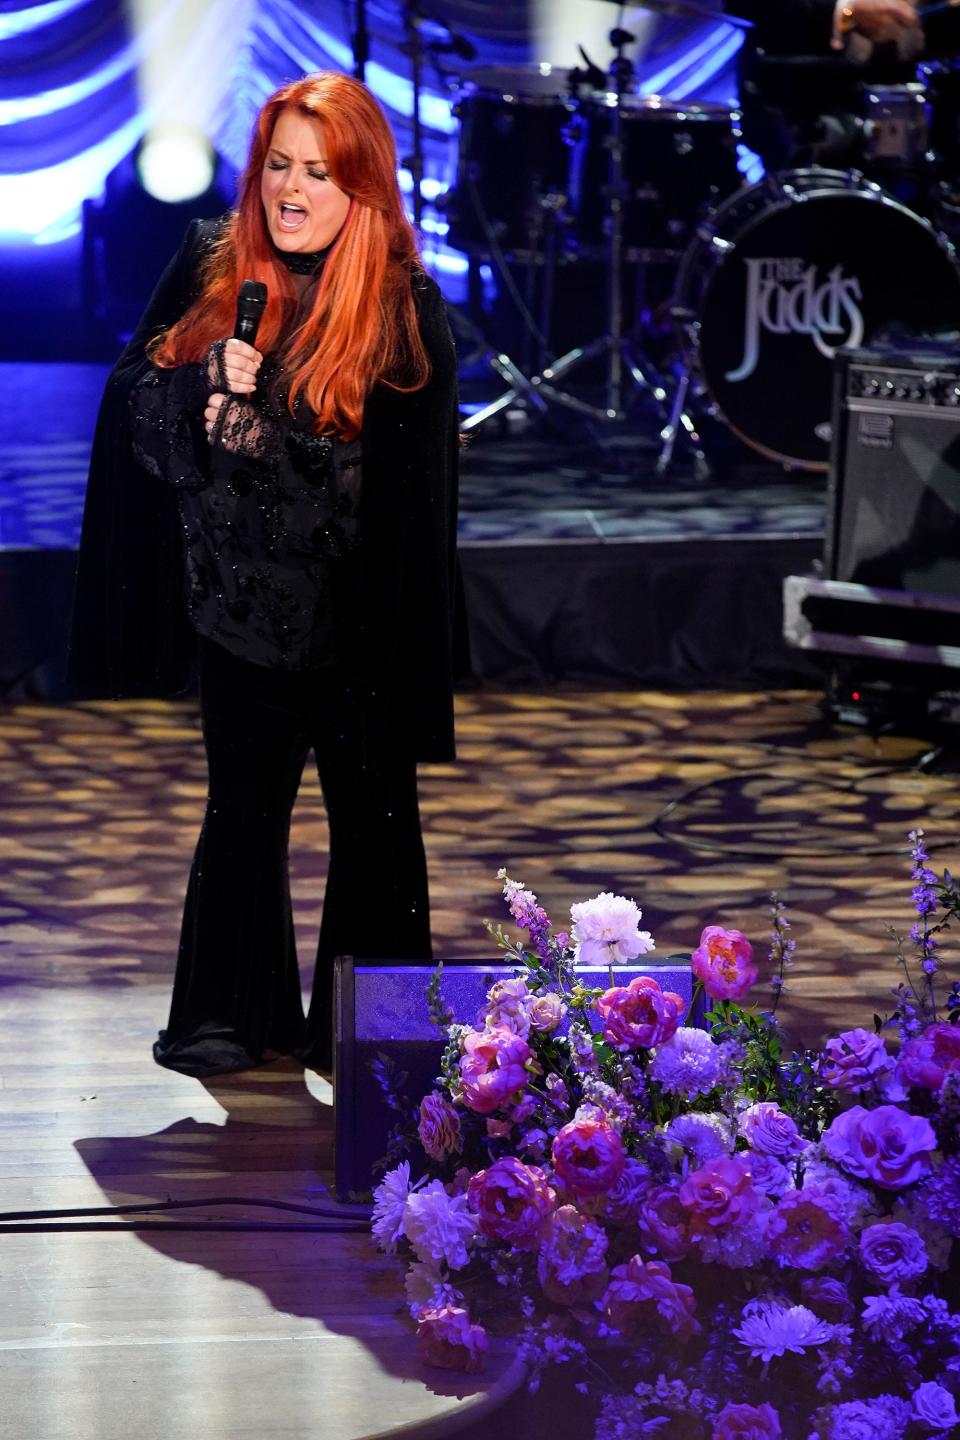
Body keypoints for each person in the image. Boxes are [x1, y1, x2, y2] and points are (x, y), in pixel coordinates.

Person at [69, 72, 463, 1077]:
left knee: (373, 821)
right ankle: (226, 1013)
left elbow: (390, 500)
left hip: (355, 621)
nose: (292, 190)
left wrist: (266, 427)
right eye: (279, 166)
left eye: (318, 172)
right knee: (242, 806)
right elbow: (133, 410)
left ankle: (365, 1023)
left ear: (364, 187)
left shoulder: (401, 305)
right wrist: (202, 392)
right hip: (239, 605)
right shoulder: (214, 265)